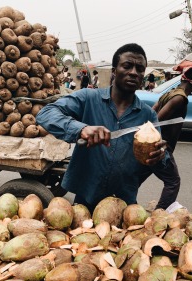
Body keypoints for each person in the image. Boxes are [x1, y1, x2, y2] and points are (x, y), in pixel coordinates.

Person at [36, 43, 167, 213]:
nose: (134, 72)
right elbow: (46, 113)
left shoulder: (148, 116)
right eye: (127, 66)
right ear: (114, 71)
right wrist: (80, 129)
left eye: (140, 69)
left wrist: (159, 157)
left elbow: (156, 162)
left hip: (124, 204)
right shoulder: (89, 98)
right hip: (85, 199)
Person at [147, 64, 192, 209]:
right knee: (173, 182)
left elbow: (152, 112)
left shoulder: (170, 92)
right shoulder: (180, 98)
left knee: (138, 176)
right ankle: (159, 214)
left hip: (151, 145)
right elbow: (156, 120)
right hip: (161, 148)